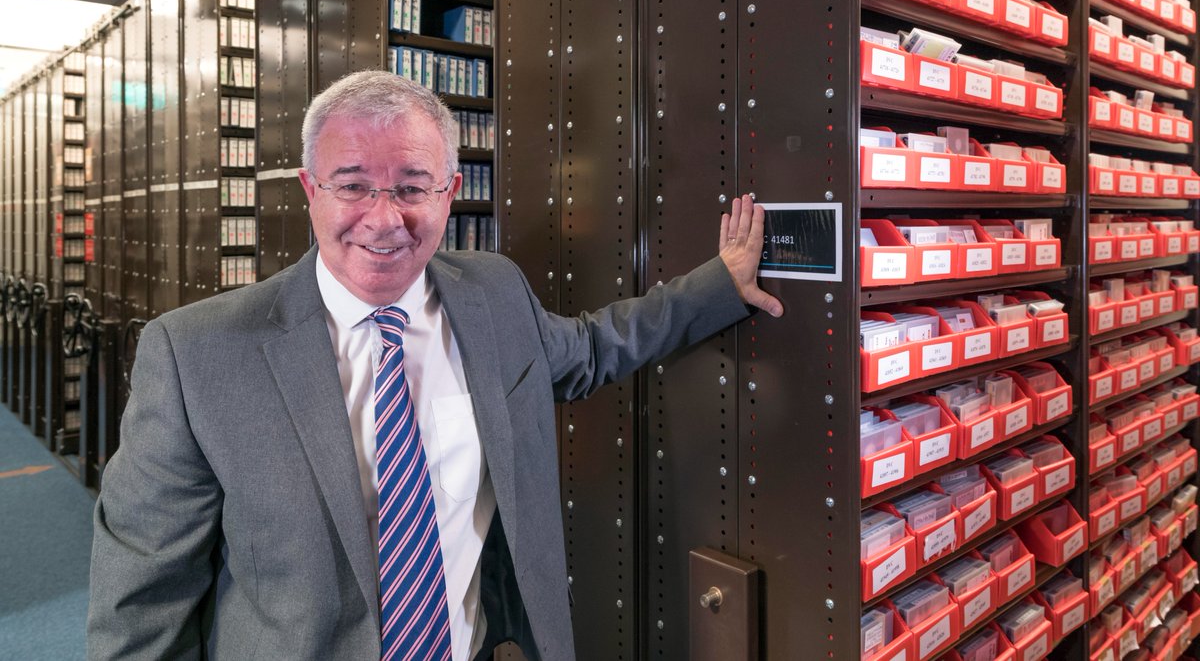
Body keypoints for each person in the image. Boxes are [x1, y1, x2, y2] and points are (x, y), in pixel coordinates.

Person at [87, 70, 783, 661]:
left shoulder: (495, 295)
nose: (385, 219)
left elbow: (594, 349)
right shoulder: (197, 355)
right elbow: (142, 603)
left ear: (450, 192)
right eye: (353, 185)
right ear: (310, 190)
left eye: (414, 186)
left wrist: (720, 285)